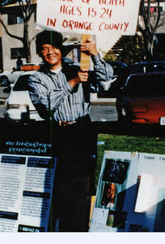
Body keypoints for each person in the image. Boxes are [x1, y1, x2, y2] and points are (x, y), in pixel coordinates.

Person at [28, 29, 113, 232]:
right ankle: (63, 228)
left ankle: (83, 226)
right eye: (45, 49)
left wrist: (94, 54)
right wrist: (72, 82)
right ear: (40, 54)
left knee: (85, 186)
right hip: (59, 135)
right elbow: (46, 106)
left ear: (61, 49)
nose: (50, 52)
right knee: (61, 188)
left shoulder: (78, 66)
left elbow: (107, 78)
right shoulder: (36, 78)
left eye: (54, 47)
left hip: (83, 131)